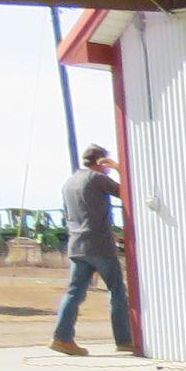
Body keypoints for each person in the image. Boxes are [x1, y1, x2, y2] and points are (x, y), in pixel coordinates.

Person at [49, 144, 135, 356]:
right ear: (100, 162)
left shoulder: (69, 182)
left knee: (74, 292)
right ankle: (124, 339)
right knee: (117, 290)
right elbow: (127, 192)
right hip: (99, 244)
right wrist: (119, 168)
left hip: (77, 244)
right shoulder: (96, 178)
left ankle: (62, 337)